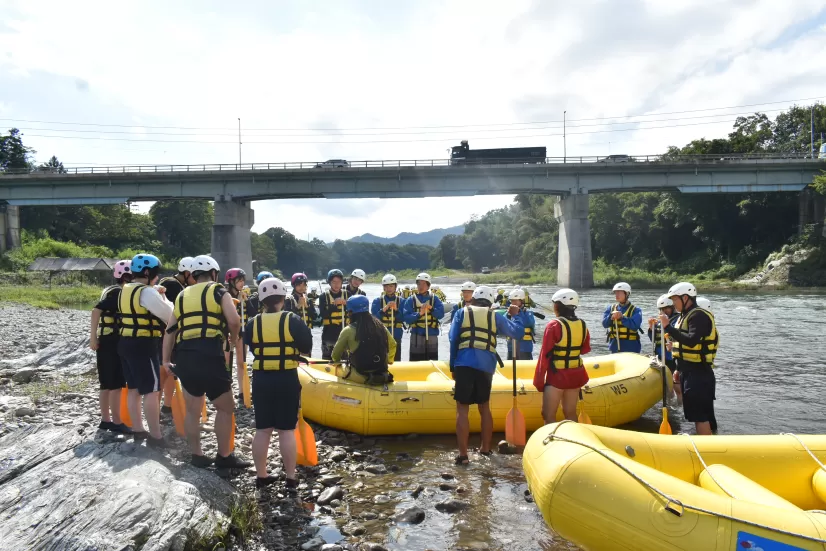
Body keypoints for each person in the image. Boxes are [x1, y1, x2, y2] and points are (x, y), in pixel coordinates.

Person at [161, 255, 249, 469]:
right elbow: (234, 321)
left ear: (193, 275)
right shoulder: (219, 291)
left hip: (185, 357)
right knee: (225, 408)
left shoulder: (181, 296)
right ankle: (224, 456)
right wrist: (234, 339)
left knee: (192, 410)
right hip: (210, 354)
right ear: (214, 274)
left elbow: (170, 331)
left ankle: (197, 455)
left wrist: (165, 360)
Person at [244, 277, 313, 490]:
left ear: (262, 301)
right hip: (286, 378)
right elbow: (307, 349)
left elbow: (254, 349)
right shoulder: (292, 319)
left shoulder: (252, 322)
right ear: (283, 298)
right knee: (286, 430)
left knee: (263, 429)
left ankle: (261, 476)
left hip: (262, 379)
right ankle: (291, 477)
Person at [449, 286, 523, 464]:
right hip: (486, 366)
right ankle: (485, 449)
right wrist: (516, 315)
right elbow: (517, 333)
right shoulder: (495, 316)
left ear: (473, 298)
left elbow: (453, 338)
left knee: (462, 409)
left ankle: (463, 455)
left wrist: (453, 365)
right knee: (484, 407)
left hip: (464, 363)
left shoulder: (461, 313)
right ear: (490, 302)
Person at [117, 253, 173, 447]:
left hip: (124, 342)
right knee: (151, 389)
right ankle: (156, 436)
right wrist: (162, 295)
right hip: (143, 344)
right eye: (156, 273)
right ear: (148, 272)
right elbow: (169, 314)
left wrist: (155, 292)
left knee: (133, 388)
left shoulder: (125, 289)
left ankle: (138, 430)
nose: (157, 277)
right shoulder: (147, 292)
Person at [661, 282, 719, 435]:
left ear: (685, 298)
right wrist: (679, 369)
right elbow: (685, 341)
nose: (673, 304)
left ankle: (706, 451)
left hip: (699, 373)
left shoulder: (698, 315)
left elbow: (692, 341)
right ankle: (710, 442)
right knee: (698, 415)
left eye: (675, 300)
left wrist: (668, 327)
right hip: (689, 371)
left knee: (700, 417)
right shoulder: (685, 316)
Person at [532, 288, 591, 425]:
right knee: (570, 413)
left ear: (558, 305)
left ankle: (552, 444)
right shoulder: (582, 324)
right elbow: (585, 349)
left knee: (548, 414)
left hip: (557, 377)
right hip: (576, 375)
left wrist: (539, 382)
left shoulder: (554, 325)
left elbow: (544, 357)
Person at [89, 259, 133, 434]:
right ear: (128, 276)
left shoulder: (112, 290)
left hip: (107, 341)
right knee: (115, 384)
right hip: (112, 342)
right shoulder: (118, 294)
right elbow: (95, 311)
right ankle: (115, 421)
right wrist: (92, 338)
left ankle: (105, 420)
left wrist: (95, 338)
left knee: (106, 383)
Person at [333, 295, 397, 384]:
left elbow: (335, 354)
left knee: (338, 369)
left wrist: (336, 362)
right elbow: (393, 344)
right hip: (381, 373)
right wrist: (390, 360)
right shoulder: (380, 326)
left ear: (350, 312)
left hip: (360, 376)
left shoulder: (348, 330)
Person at [402, 272, 444, 361]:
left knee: (432, 360)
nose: (421, 286)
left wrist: (431, 309)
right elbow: (407, 318)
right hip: (417, 335)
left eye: (424, 284)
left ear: (428, 286)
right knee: (416, 360)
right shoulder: (411, 300)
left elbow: (440, 314)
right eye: (419, 283)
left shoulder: (434, 299)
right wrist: (419, 314)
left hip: (431, 333)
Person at [225, 268, 250, 402]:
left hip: (241, 332)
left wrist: (246, 300)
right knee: (227, 363)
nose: (241, 283)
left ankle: (242, 391)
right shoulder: (224, 295)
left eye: (242, 281)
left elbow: (252, 311)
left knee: (241, 362)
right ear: (231, 282)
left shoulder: (244, 295)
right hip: (227, 334)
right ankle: (226, 391)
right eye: (238, 281)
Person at [648, 294, 680, 401]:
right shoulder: (658, 322)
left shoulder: (677, 320)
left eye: (667, 308)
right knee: (665, 385)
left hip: (671, 357)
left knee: (675, 385)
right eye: (662, 309)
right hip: (660, 356)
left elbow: (676, 335)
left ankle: (680, 404)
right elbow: (654, 339)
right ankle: (669, 402)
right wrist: (651, 329)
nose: (665, 311)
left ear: (672, 308)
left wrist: (665, 325)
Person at [602, 282, 642, 354]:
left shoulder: (636, 310)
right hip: (615, 347)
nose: (616, 295)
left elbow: (635, 326)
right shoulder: (610, 308)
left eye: (619, 292)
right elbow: (605, 324)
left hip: (631, 347)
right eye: (616, 293)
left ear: (626, 294)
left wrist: (622, 317)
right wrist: (611, 317)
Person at [371, 274, 404, 362]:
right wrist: (385, 308)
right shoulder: (377, 301)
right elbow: (374, 318)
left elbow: (403, 318)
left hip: (396, 334)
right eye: (386, 286)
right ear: (383, 288)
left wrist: (396, 309)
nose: (389, 288)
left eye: (391, 286)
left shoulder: (402, 301)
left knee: (396, 359)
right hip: (381, 334)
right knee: (381, 358)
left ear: (395, 287)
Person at [284, 272, 317, 355]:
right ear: (294, 285)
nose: (302, 287)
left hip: (307, 332)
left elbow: (314, 316)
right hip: (293, 333)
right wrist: (298, 306)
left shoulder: (309, 300)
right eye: (299, 285)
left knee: (307, 356)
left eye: (304, 285)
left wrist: (307, 306)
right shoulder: (289, 300)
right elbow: (287, 317)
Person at [319, 269, 349, 360]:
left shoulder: (348, 294)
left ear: (342, 283)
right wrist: (334, 305)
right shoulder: (323, 296)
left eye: (339, 282)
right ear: (329, 283)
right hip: (329, 333)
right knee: (328, 359)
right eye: (334, 282)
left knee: (346, 359)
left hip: (345, 332)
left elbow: (354, 314)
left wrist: (347, 304)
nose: (336, 285)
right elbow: (323, 314)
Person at [506, 289, 535, 361]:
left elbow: (528, 323)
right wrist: (509, 314)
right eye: (512, 301)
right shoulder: (508, 313)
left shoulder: (528, 313)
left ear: (521, 301)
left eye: (516, 301)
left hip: (525, 348)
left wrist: (518, 313)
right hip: (511, 348)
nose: (514, 303)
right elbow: (503, 323)